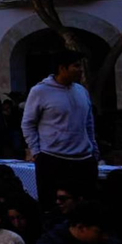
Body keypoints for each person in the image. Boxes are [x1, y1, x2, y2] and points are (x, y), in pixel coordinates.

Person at [22, 52, 98, 220]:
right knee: (53, 210)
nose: (80, 70)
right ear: (62, 68)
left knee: (85, 210)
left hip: (83, 159)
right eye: (76, 66)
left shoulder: (81, 91)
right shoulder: (40, 91)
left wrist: (93, 149)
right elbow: (28, 123)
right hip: (53, 158)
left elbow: (88, 122)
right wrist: (36, 151)